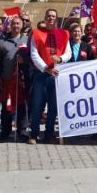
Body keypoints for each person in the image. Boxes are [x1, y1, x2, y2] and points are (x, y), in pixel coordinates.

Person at [28, 9, 71, 145]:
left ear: (56, 18)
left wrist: (60, 58)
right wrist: (46, 68)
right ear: (45, 18)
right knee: (37, 106)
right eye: (49, 16)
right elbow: (34, 54)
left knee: (53, 108)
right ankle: (34, 134)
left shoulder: (64, 34)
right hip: (41, 74)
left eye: (53, 16)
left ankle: (49, 135)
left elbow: (68, 52)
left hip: (57, 75)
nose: (51, 18)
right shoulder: (36, 33)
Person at [0, 17, 29, 140]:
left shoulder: (27, 40)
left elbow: (33, 58)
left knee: (22, 105)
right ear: (10, 25)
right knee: (7, 106)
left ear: (22, 25)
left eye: (18, 23)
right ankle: (5, 131)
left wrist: (24, 60)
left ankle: (22, 130)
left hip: (22, 80)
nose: (16, 26)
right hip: (7, 79)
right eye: (14, 23)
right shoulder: (3, 41)